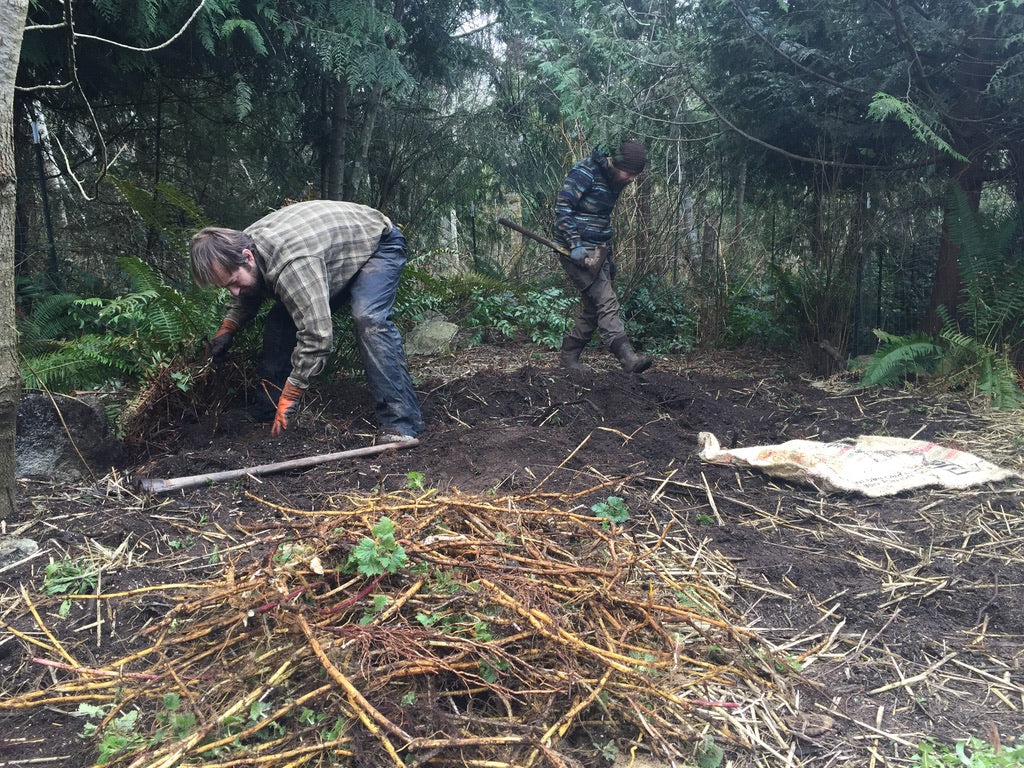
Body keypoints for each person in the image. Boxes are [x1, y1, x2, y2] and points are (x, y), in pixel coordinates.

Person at [190, 200, 424, 442]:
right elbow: (249, 288)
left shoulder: (292, 263)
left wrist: (292, 392)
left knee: (369, 319)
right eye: (226, 287)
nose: (234, 292)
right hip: (331, 257)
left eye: (233, 283)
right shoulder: (244, 245)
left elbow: (318, 336)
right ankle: (267, 410)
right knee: (279, 323)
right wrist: (228, 327)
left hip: (378, 244)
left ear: (247, 257)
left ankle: (401, 422)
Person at [552, 139, 652, 374]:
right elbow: (563, 207)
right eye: (629, 173)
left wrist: (608, 256)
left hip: (599, 250)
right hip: (575, 250)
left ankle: (569, 357)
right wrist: (575, 245)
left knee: (593, 308)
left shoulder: (614, 181)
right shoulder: (585, 172)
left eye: (635, 175)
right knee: (606, 301)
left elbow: (601, 221)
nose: (632, 179)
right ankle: (627, 358)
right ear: (616, 163)